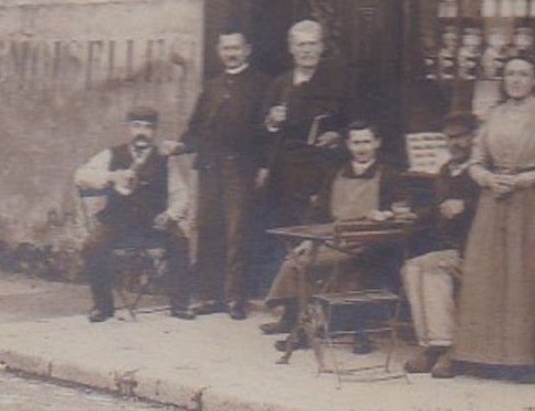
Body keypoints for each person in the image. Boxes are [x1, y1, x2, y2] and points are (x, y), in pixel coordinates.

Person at [452, 56, 535, 380]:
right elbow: (475, 161)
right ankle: (487, 355)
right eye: (510, 74)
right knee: (490, 276)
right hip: (494, 202)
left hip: (532, 204)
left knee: (526, 277)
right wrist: (489, 180)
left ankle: (528, 359)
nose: (516, 80)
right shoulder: (493, 116)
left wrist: (521, 180)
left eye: (523, 74)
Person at [260, 120, 406, 350]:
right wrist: (309, 240)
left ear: (377, 143)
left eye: (366, 141)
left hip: (369, 243)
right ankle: (299, 324)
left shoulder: (388, 175)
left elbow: (401, 210)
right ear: (348, 144)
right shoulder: (336, 174)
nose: (361, 148)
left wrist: (386, 214)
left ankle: (356, 332)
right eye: (356, 142)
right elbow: (319, 213)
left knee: (345, 267)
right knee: (296, 261)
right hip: (333, 238)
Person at [166, 27, 268, 320]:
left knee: (237, 232)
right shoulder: (211, 87)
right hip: (210, 167)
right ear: (218, 52)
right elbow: (196, 127)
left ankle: (236, 297)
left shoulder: (261, 84)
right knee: (208, 228)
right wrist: (181, 145)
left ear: (247, 49)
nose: (231, 54)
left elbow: (265, 132)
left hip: (240, 168)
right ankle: (210, 296)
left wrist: (263, 166)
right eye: (225, 49)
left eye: (236, 48)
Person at [74, 106, 193, 322]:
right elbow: (81, 176)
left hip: (153, 225)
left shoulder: (164, 159)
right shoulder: (112, 154)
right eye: (137, 126)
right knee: (92, 245)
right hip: (117, 223)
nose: (142, 132)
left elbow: (181, 194)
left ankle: (180, 304)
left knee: (180, 241)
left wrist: (170, 214)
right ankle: (103, 306)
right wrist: (112, 176)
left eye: (148, 127)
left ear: (154, 131)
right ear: (129, 128)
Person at [256, 19, 348, 257]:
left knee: (315, 228)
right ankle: (286, 287)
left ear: (321, 47)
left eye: (312, 44)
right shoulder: (279, 84)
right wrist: (273, 121)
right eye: (301, 45)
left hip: (321, 170)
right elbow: (262, 130)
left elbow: (355, 122)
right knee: (284, 229)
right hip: (285, 171)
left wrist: (337, 135)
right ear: (291, 48)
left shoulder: (339, 81)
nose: (307, 50)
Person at [401, 112, 481, 379]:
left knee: (435, 270)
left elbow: (490, 207)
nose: (455, 144)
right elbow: (438, 209)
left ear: (474, 137)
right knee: (411, 268)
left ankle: (448, 347)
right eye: (449, 138)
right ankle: (430, 345)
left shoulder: (480, 170)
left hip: (479, 251)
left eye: (461, 137)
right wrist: (413, 215)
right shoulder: (446, 169)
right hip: (452, 249)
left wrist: (466, 206)